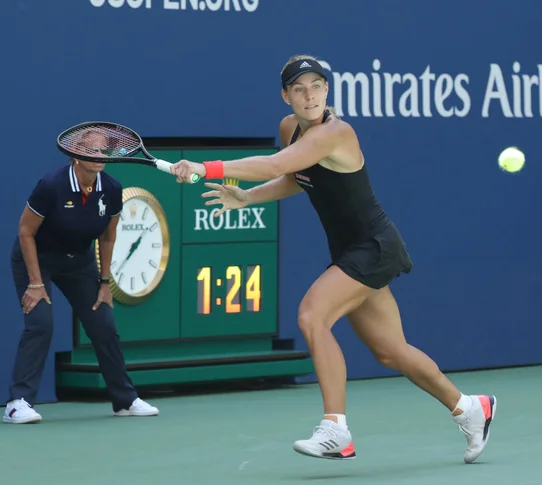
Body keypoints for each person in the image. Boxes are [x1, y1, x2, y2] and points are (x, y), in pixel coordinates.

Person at [169, 54, 497, 464]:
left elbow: (275, 163)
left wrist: (205, 167)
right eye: (300, 88)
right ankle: (470, 408)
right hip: (351, 251)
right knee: (391, 351)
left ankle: (336, 429)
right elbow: (295, 176)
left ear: (327, 90)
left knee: (312, 315)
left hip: (374, 246)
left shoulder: (336, 132)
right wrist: (248, 197)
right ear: (286, 96)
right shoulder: (291, 128)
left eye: (317, 86)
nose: (310, 95)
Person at [4, 129, 159, 424]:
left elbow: (108, 239)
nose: (101, 156)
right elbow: (25, 232)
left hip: (79, 263)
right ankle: (18, 403)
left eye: (104, 151)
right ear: (76, 155)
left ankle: (125, 401)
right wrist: (35, 283)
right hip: (37, 258)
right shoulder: (51, 186)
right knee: (40, 324)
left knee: (103, 326)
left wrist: (104, 283)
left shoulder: (112, 189)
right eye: (94, 151)